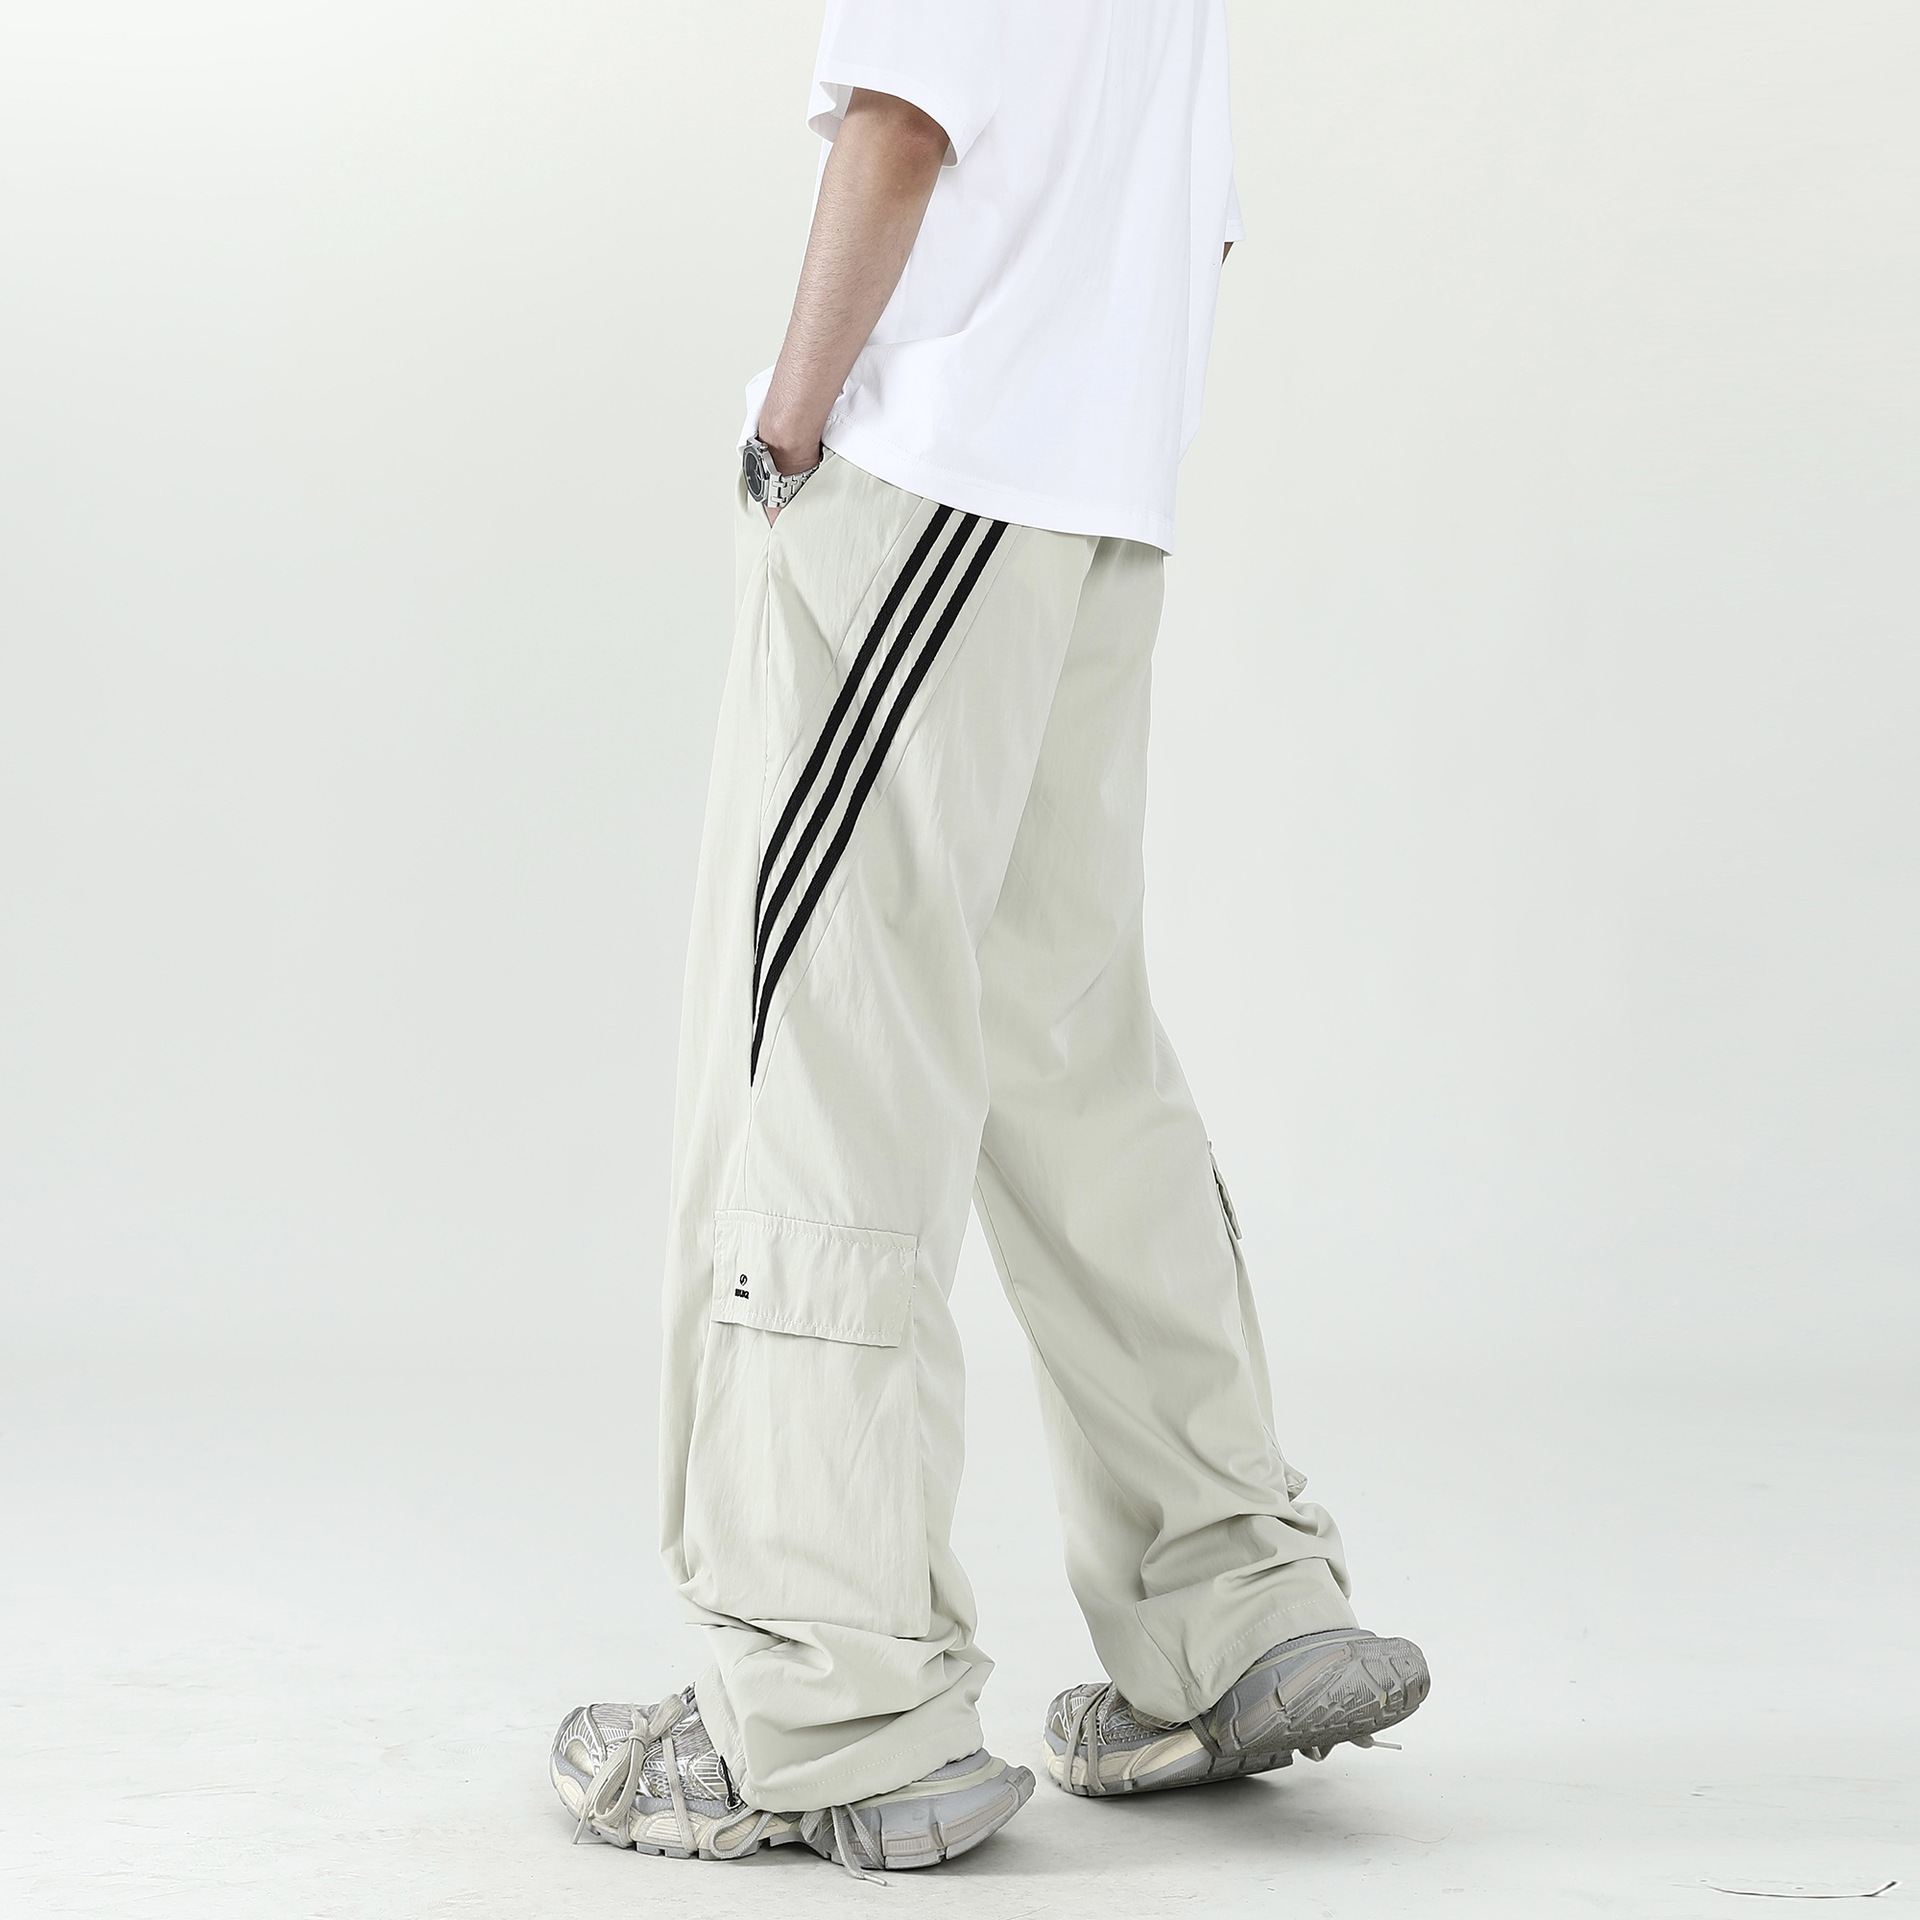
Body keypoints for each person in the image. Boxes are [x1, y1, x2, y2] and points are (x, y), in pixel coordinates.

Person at [549, 1, 1429, 1880]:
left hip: (928, 490)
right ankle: (1241, 1605)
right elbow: (1193, 222)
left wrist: (789, 436)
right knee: (1069, 1062)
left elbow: (901, 128)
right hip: (1097, 520)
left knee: (828, 1068)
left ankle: (833, 1704)